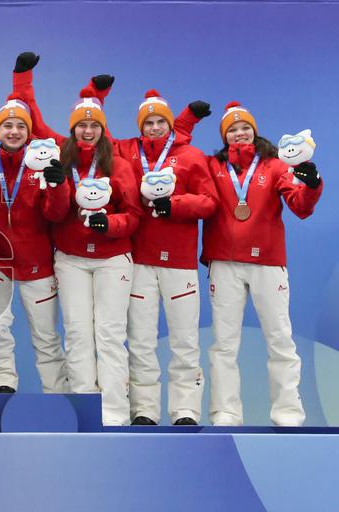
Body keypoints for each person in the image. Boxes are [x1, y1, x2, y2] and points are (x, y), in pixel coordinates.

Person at [16, 71, 144, 426]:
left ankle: (115, 414)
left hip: (111, 259)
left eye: (94, 125)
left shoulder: (118, 163)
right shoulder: (61, 157)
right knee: (76, 333)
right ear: (72, 129)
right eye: (81, 126)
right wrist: (57, 188)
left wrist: (110, 224)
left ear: (103, 129)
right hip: (70, 260)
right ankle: (85, 410)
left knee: (109, 334)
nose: (87, 131)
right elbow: (54, 214)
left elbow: (134, 214)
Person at [100, 90, 218, 426]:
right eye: (148, 123)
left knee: (184, 339)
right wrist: (94, 95)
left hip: (179, 263)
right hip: (139, 260)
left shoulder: (192, 157)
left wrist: (176, 204)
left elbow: (209, 202)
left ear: (170, 126)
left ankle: (185, 410)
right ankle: (144, 410)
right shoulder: (126, 151)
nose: (154, 128)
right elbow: (97, 134)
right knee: (140, 339)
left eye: (160, 122)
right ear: (140, 126)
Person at [201, 102, 323, 426]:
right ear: (224, 135)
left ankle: (288, 412)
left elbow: (300, 205)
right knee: (223, 343)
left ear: (254, 131)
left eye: (245, 128)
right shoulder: (213, 166)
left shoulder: (274, 165)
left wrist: (311, 185)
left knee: (280, 338)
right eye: (232, 129)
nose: (240, 133)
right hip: (224, 264)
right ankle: (225, 412)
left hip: (267, 263)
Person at [0, 54, 71, 396]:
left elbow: (56, 214)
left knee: (46, 335)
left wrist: (58, 185)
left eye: (20, 126)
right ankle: (1, 387)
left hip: (37, 262)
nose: (14, 131)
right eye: (8, 125)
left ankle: (57, 395)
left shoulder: (41, 163)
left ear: (28, 132)